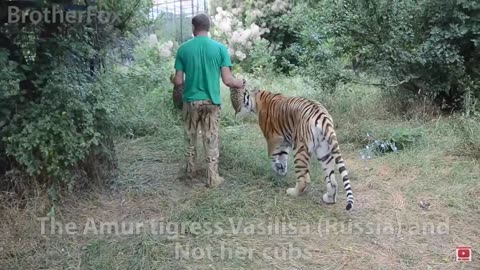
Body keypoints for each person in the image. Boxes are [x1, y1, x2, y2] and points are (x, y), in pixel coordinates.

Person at [173, 13, 244, 187]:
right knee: (211, 139)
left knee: (190, 138)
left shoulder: (183, 49)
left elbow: (179, 81)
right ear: (208, 27)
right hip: (212, 103)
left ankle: (190, 172)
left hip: (190, 102)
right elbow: (228, 81)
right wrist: (239, 82)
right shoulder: (220, 49)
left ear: (193, 28)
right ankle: (212, 178)